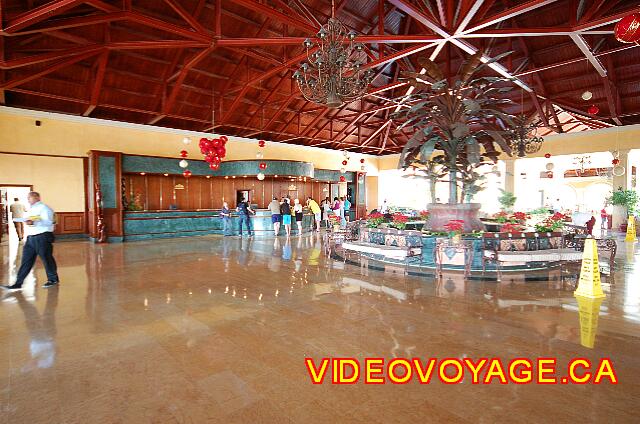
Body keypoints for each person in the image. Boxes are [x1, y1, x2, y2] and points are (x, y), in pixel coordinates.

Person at [3, 192, 59, 290]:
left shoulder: (44, 208)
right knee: (26, 260)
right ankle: (18, 283)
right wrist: (29, 222)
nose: (28, 200)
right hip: (31, 238)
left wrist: (35, 221)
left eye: (29, 198)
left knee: (46, 259)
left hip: (42, 236)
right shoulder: (32, 209)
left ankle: (53, 279)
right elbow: (32, 221)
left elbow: (49, 222)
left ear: (36, 197)